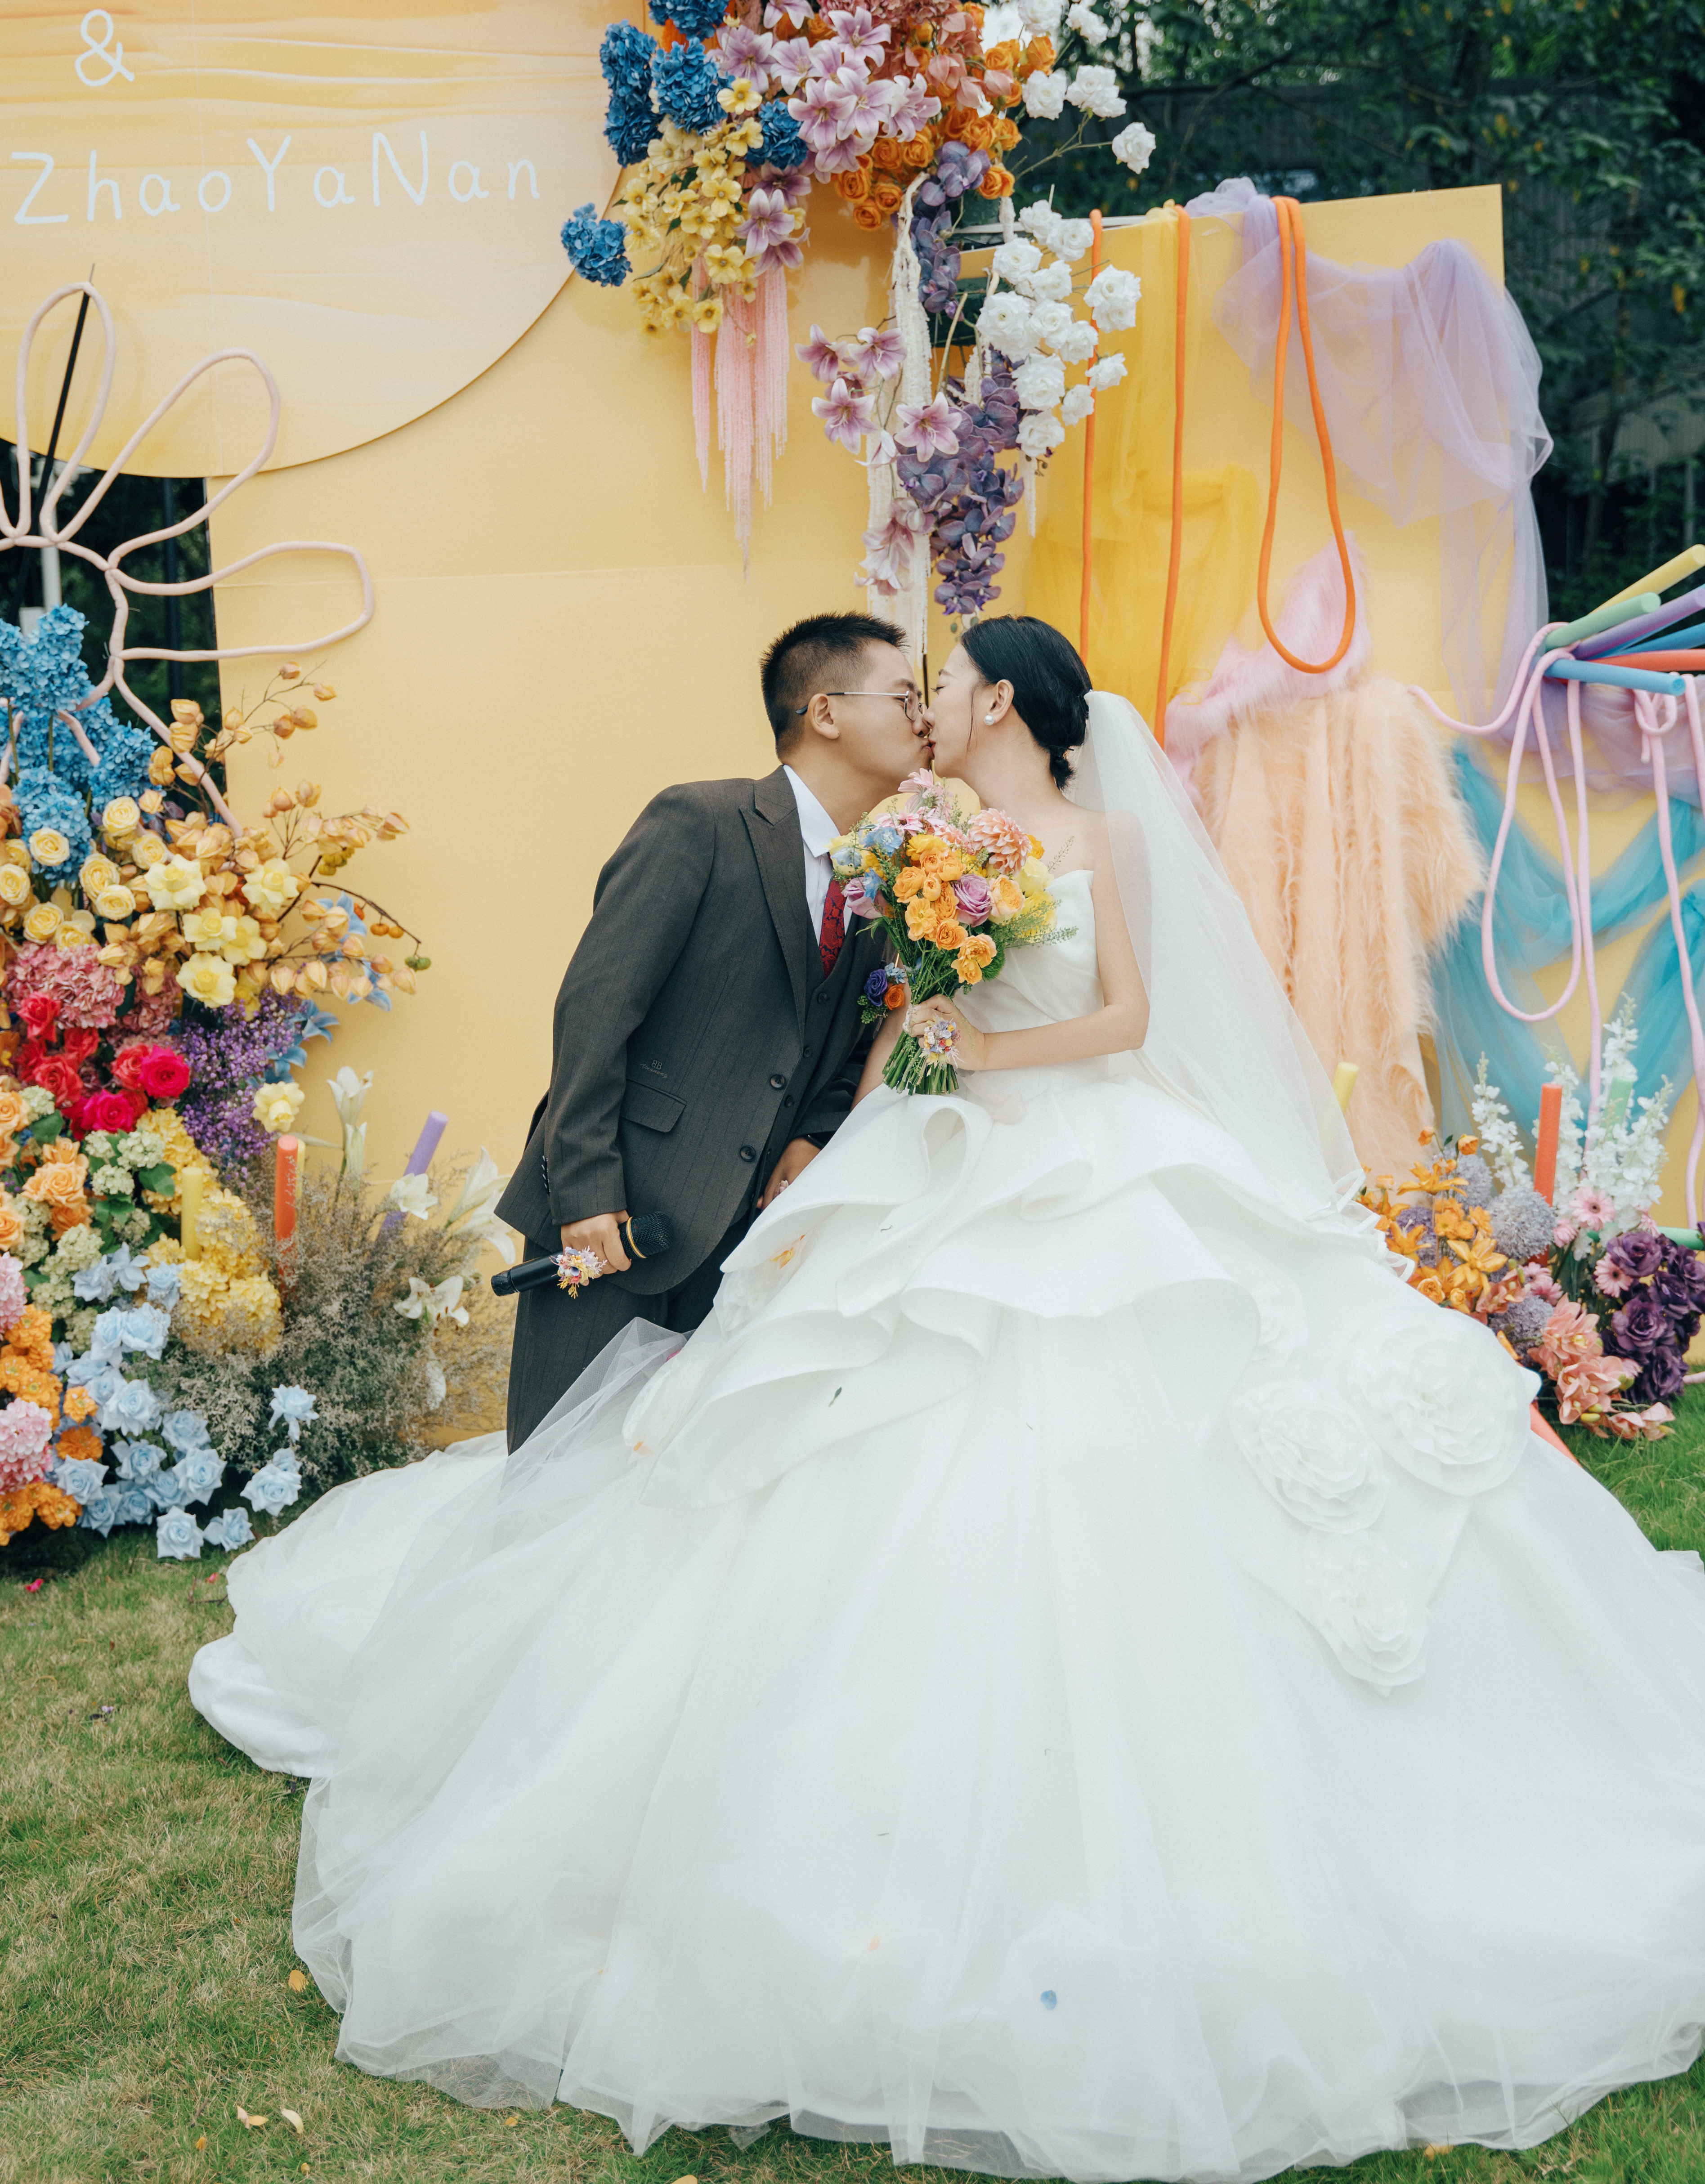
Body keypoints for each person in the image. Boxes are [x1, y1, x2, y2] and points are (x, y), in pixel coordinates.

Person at [192, 617, 1705, 2183]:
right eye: (908, 684)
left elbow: (1126, 1018)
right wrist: (858, 1135)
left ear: (1006, 700)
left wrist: (989, 1044)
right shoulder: (921, 844)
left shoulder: (1099, 836)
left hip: (1087, 1149)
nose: (933, 700)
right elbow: (892, 1027)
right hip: (945, 1147)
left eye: (953, 680)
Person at [495, 611, 927, 1447]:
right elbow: (596, 1007)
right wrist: (586, 1192)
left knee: (675, 1477)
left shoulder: (880, 878)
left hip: (746, 1239)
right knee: (559, 1467)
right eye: (904, 697)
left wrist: (813, 1133)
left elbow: (850, 1036)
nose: (924, 719)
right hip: (620, 1215)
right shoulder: (701, 821)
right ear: (826, 712)